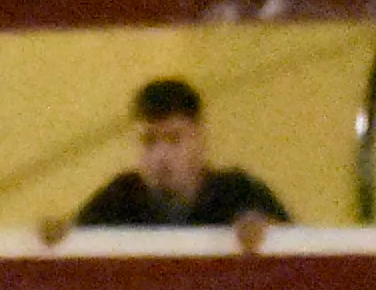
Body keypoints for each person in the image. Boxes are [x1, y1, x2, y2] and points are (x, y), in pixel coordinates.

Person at [47, 77, 289, 245]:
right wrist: (55, 234)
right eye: (149, 141)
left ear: (200, 140)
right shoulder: (119, 197)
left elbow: (299, 248)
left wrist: (268, 232)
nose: (161, 155)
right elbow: (73, 243)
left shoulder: (239, 191)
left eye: (174, 139)